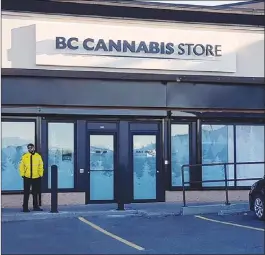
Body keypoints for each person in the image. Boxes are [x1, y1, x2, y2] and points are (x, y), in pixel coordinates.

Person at [19, 143, 44, 212]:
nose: (30, 149)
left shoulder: (38, 156)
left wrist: (40, 174)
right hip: (27, 177)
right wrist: (22, 174)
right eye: (29, 148)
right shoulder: (25, 156)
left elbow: (41, 166)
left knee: (35, 192)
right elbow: (21, 166)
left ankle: (35, 206)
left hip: (36, 177)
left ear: (34, 148)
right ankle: (25, 207)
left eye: (31, 147)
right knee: (26, 193)